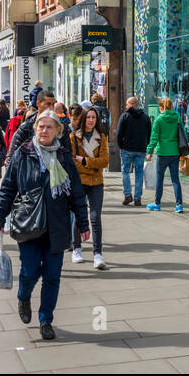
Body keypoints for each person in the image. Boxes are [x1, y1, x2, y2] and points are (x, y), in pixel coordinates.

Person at [0, 111, 90, 338]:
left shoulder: (64, 157)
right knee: (30, 271)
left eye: (49, 127)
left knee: (53, 276)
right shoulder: (22, 154)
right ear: (35, 129)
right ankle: (23, 296)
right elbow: (7, 189)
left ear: (57, 131)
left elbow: (76, 193)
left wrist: (84, 224)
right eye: (40, 127)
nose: (44, 130)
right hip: (29, 223)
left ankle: (46, 320)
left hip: (57, 224)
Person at [70, 106, 109, 269]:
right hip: (79, 182)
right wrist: (92, 164)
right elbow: (72, 160)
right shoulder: (73, 137)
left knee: (95, 217)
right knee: (79, 216)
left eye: (94, 117)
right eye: (88, 117)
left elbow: (104, 161)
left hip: (96, 182)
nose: (91, 120)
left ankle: (97, 254)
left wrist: (85, 161)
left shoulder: (101, 138)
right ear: (83, 119)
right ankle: (76, 249)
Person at [145, 97, 186, 212]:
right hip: (175, 152)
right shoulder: (177, 117)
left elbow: (154, 138)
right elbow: (183, 133)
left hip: (163, 152)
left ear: (161, 107)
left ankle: (157, 203)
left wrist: (149, 151)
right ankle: (179, 205)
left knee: (160, 178)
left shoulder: (159, 120)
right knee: (175, 179)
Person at [116, 96, 151, 206]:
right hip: (140, 150)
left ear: (131, 104)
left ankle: (127, 195)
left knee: (125, 172)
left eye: (127, 104)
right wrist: (146, 145)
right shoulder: (145, 117)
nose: (126, 106)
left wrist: (120, 145)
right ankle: (137, 198)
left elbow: (119, 133)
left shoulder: (125, 116)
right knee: (139, 173)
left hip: (127, 149)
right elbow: (149, 133)